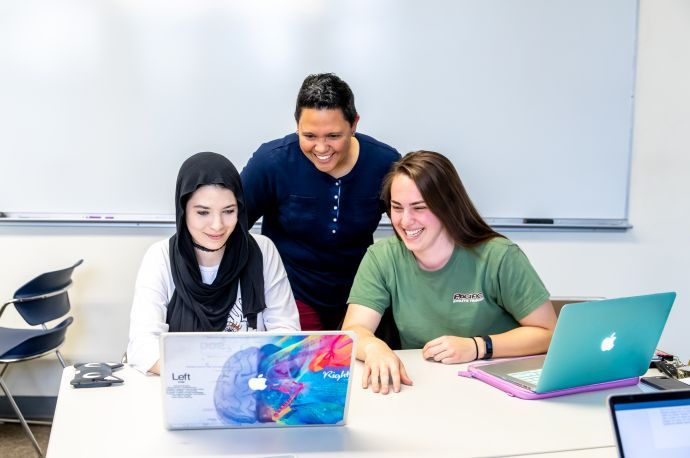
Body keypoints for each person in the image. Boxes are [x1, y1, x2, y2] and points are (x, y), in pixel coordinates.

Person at [342, 151, 557, 394]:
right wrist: (373, 348)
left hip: (498, 388)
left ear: (448, 205)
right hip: (425, 386)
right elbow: (353, 331)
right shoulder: (381, 257)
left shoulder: (499, 256)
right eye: (396, 207)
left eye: (419, 207)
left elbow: (548, 333)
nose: (405, 220)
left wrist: (478, 347)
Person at [241, 73, 401, 331]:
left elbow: (411, 227)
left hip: (360, 297)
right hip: (291, 296)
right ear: (297, 126)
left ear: (354, 124)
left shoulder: (385, 163)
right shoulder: (271, 162)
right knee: (303, 365)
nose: (321, 148)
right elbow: (231, 226)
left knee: (359, 365)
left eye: (333, 136)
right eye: (310, 136)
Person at [127, 152, 300, 374]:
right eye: (203, 212)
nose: (217, 225)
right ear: (183, 211)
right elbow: (142, 345)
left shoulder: (262, 251)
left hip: (247, 388)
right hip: (182, 387)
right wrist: (202, 376)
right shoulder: (160, 257)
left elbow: (287, 332)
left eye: (229, 211)